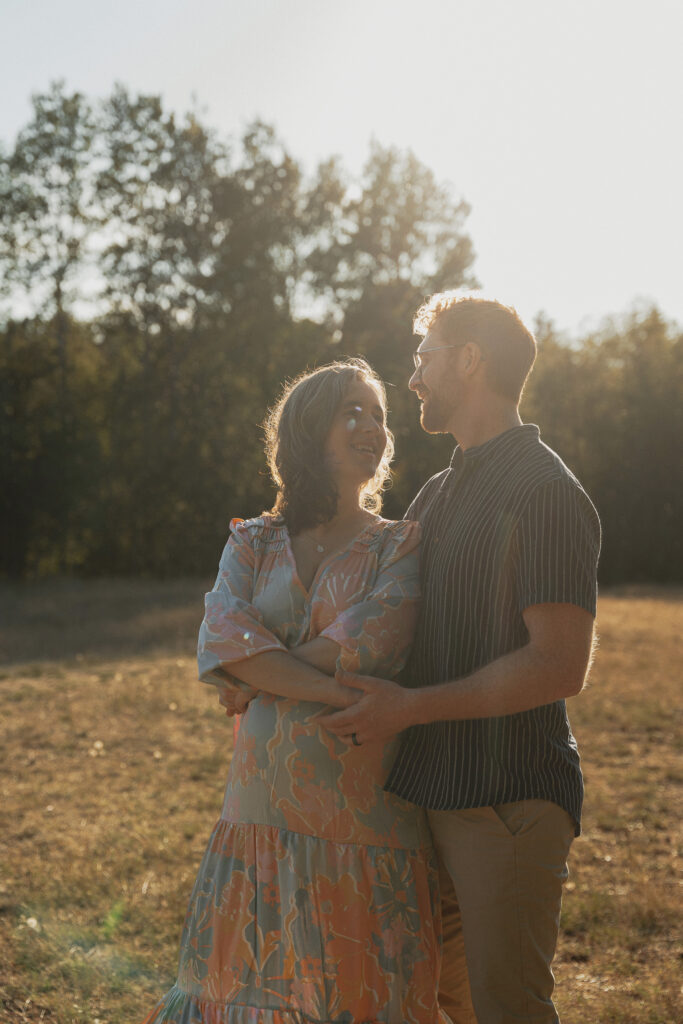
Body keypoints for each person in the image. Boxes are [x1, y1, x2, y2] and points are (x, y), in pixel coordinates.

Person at [319, 296, 601, 1024]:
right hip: (429, 793)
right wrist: (255, 672)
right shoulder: (438, 493)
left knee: (507, 1009)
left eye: (423, 357)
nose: (412, 378)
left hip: (505, 800)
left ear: (468, 360)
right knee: (442, 1003)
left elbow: (557, 665)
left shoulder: (545, 492)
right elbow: (382, 622)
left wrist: (410, 708)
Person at [143, 358, 449, 1024]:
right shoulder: (252, 540)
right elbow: (223, 638)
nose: (371, 426)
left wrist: (262, 673)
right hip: (258, 811)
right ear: (308, 432)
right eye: (352, 411)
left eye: (378, 415)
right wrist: (323, 690)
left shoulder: (398, 545)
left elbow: (371, 641)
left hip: (361, 811)